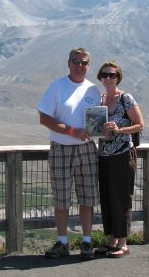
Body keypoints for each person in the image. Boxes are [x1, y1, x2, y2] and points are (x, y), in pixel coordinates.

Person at [37, 47, 101, 260]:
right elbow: (44, 118)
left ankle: (86, 241)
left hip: (87, 149)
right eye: (76, 61)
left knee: (87, 197)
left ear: (88, 66)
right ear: (68, 63)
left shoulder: (93, 90)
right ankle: (63, 242)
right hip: (61, 149)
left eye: (84, 62)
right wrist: (73, 131)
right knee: (61, 198)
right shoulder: (57, 87)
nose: (79, 66)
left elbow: (96, 122)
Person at [96, 60, 144, 258]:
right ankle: (112, 240)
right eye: (105, 74)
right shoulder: (100, 100)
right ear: (100, 77)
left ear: (118, 77)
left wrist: (120, 130)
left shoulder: (126, 98)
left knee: (121, 197)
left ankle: (123, 243)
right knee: (107, 196)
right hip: (104, 155)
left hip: (123, 154)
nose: (108, 78)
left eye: (112, 75)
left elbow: (140, 124)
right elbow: (97, 128)